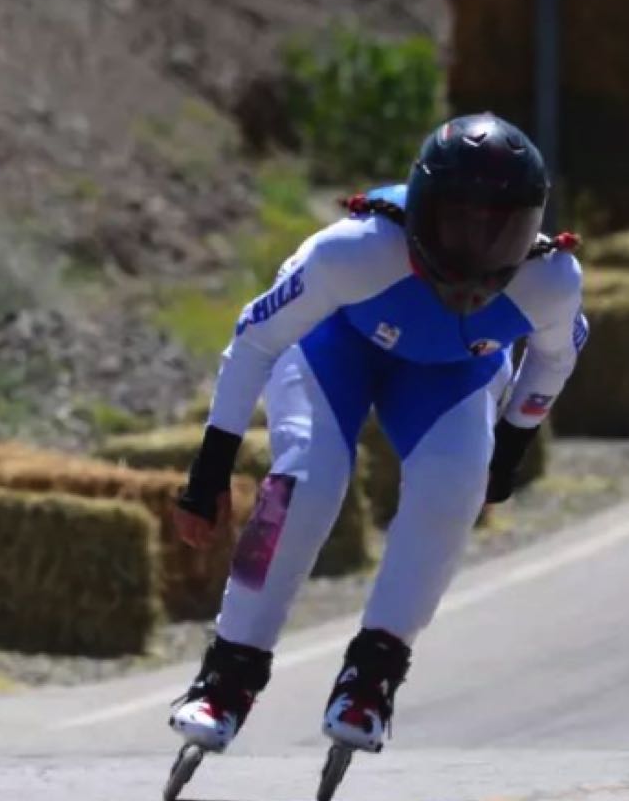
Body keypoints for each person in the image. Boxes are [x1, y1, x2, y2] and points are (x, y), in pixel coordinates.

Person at [169, 112, 588, 755]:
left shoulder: (551, 279)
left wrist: (505, 454)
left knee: (453, 489)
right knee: (307, 479)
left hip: (452, 374)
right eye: (458, 225)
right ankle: (226, 675)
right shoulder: (353, 250)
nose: (477, 253)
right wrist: (210, 469)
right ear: (420, 214)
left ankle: (374, 677)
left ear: (533, 230)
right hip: (335, 347)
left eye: (503, 233)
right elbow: (254, 343)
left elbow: (554, 360)